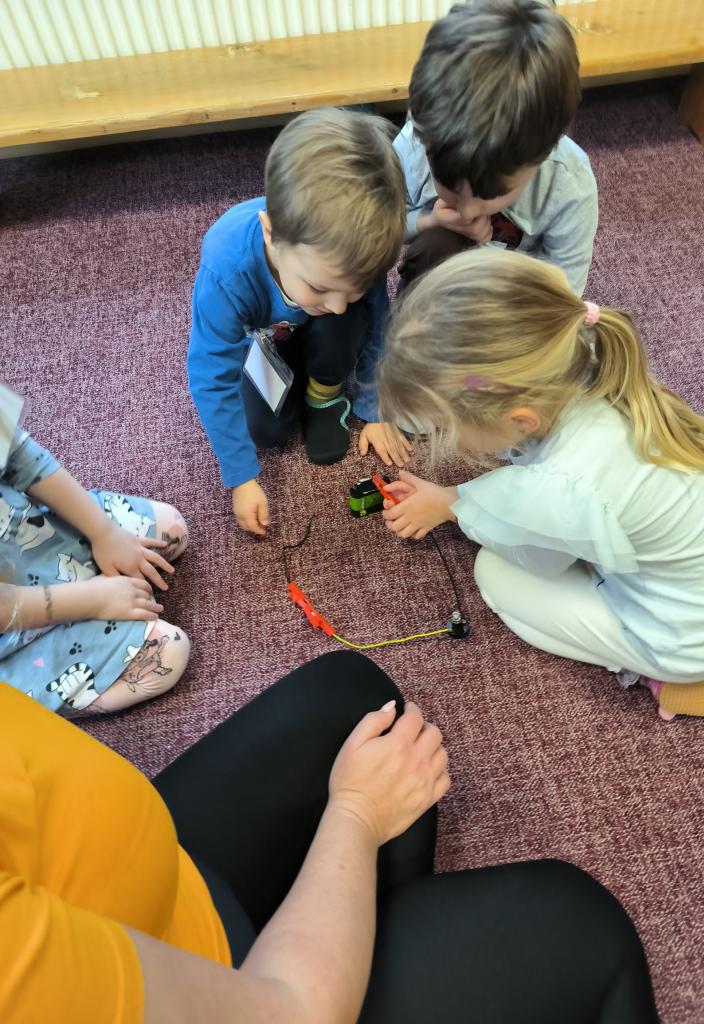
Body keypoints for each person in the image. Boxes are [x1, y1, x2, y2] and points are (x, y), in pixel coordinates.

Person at [0, 649, 659, 1022]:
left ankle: (372, 934)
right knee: (579, 928)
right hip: (259, 1002)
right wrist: (356, 815)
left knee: (354, 699)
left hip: (147, 895)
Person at [376, 248, 704, 721]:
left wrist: (452, 506)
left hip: (691, 642)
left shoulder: (565, 484)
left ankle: (660, 672)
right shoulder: (584, 356)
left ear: (521, 419)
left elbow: (540, 557)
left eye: (445, 427)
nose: (444, 438)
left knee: (495, 575)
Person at [188, 107, 413, 539]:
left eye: (352, 288)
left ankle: (324, 396)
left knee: (346, 321)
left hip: (318, 335)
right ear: (271, 234)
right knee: (265, 432)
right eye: (320, 286)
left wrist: (374, 408)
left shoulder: (352, 254)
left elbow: (379, 327)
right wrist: (241, 477)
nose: (339, 303)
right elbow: (210, 376)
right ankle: (299, 377)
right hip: (265, 341)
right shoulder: (226, 271)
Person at [0, 386, 189, 714]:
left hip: (26, 537)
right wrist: (95, 599)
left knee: (173, 530)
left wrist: (104, 533)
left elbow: (20, 455)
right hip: (10, 632)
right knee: (169, 652)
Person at [394, 0, 598, 297]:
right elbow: (382, 224)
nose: (467, 211)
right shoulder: (416, 141)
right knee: (434, 246)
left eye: (490, 194)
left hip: (515, 295)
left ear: (543, 154)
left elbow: (564, 289)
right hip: (440, 277)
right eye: (448, 184)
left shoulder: (570, 184)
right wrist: (430, 220)